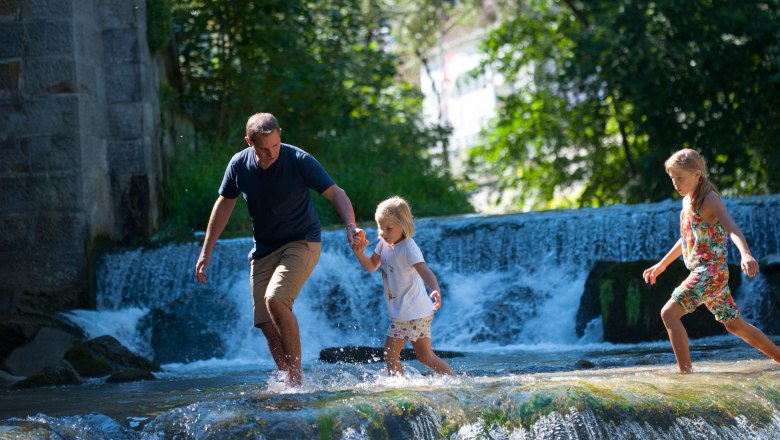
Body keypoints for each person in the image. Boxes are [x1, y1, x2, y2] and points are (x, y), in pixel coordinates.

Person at [195, 112, 363, 386]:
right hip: (263, 249)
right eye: (264, 148)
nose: (271, 153)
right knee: (265, 322)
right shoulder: (239, 165)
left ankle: (297, 380)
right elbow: (224, 204)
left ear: (280, 135)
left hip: (303, 241)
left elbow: (336, 193)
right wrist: (206, 251)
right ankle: (288, 378)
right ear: (249, 142)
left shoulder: (298, 160)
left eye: (275, 145)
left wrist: (351, 225)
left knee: (276, 301)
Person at [642, 148, 780, 373]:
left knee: (668, 314)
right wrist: (663, 264)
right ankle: (778, 356)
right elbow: (687, 237)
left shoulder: (709, 198)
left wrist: (745, 253)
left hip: (709, 272)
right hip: (710, 274)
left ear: (697, 175)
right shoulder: (687, 199)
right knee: (735, 325)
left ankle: (685, 374)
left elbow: (732, 228)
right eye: (672, 178)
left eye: (680, 178)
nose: (676, 183)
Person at [351, 196, 456, 377]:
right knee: (425, 356)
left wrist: (435, 289)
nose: (383, 232)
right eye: (380, 227)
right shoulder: (383, 244)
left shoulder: (408, 247)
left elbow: (424, 270)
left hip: (410, 312)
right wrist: (360, 253)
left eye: (389, 228)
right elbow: (370, 266)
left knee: (390, 354)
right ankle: (455, 381)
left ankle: (399, 389)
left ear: (404, 224)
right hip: (416, 311)